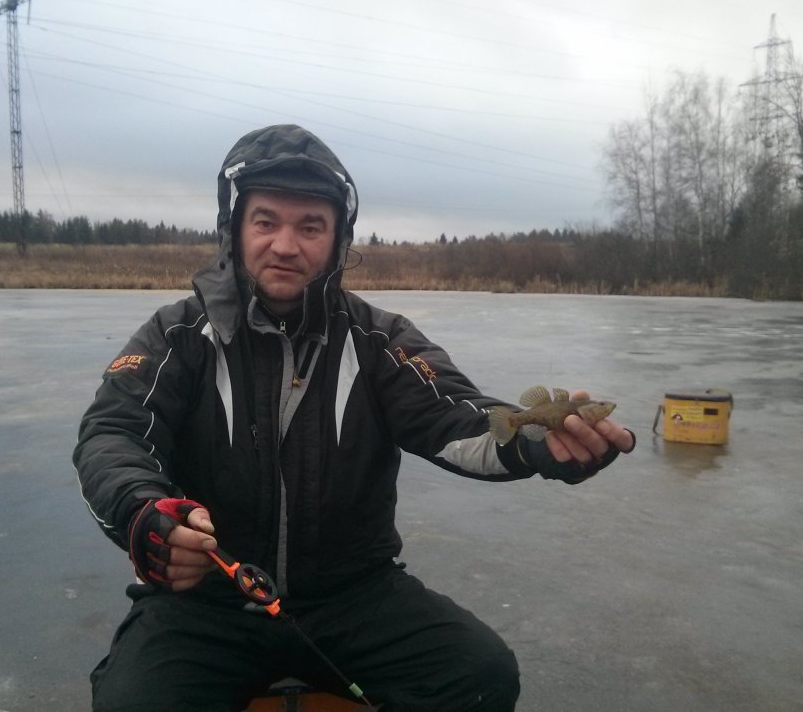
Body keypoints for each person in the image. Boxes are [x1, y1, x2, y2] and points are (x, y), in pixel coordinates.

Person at [73, 123, 635, 711]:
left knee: (480, 676)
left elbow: (457, 418)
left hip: (354, 597)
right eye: (265, 221)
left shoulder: (380, 341)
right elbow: (113, 434)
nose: (285, 245)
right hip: (206, 602)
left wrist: (539, 443)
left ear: (338, 239)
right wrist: (144, 514)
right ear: (233, 228)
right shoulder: (177, 336)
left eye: (310, 226)